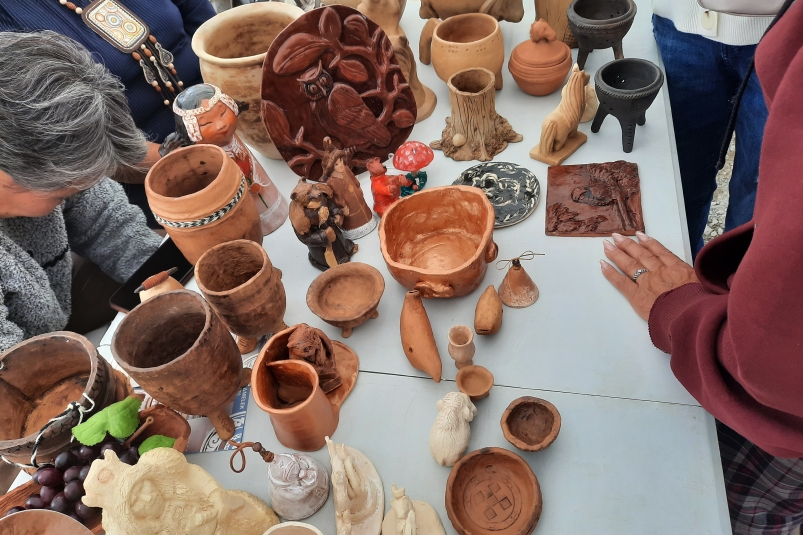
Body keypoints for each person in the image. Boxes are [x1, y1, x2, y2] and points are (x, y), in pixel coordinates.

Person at [600, 2, 803, 533]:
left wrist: (686, 316)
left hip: (765, 416)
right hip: (691, 22)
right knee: (686, 200)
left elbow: (769, 365)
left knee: (756, 209)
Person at [0, 31, 161, 352]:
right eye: (62, 194)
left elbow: (106, 220)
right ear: (8, 177)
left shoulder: (46, 162)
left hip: (58, 316)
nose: (83, 189)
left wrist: (172, 280)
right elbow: (15, 373)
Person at [0, 0, 217, 227]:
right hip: (153, 176)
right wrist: (191, 161)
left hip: (224, 107)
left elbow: (205, 21)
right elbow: (73, 146)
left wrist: (227, 99)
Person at [651, 0, 773, 258]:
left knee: (762, 193)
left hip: (790, 32)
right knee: (679, 182)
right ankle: (686, 272)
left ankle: (732, 278)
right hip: (682, 22)